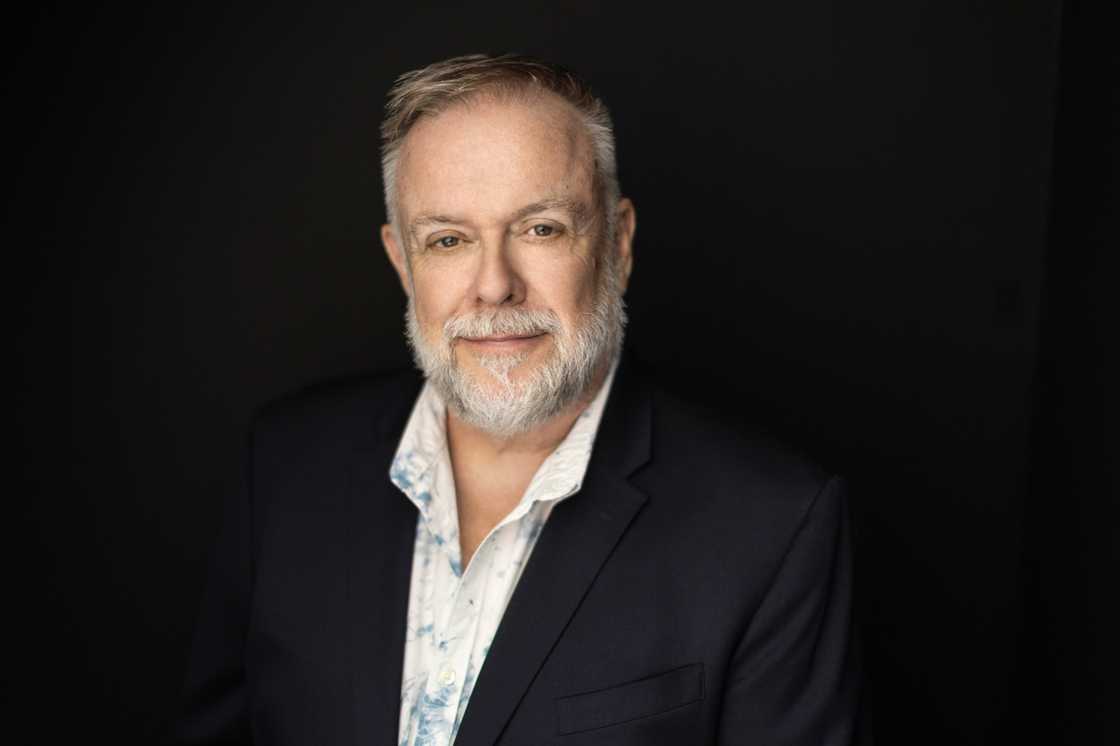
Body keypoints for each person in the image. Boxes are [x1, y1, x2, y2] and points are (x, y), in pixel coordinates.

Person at [168, 53, 863, 746]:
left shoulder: (772, 526)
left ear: (617, 245)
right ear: (401, 263)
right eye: (448, 240)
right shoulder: (287, 465)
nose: (495, 285)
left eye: (540, 229)